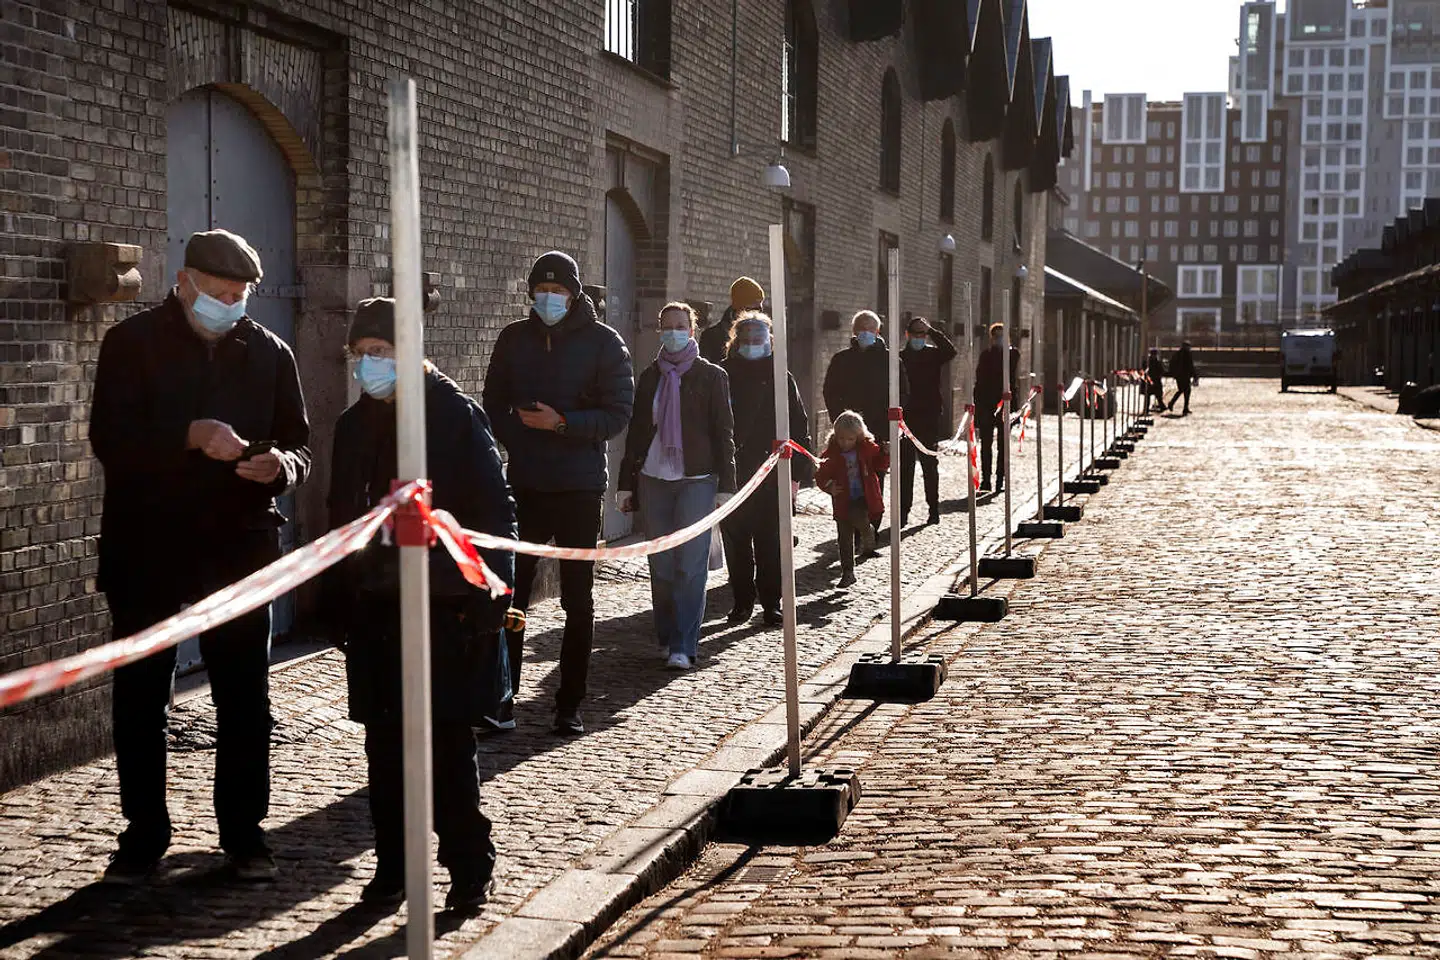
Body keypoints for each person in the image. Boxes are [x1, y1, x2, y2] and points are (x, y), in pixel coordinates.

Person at [89, 229, 311, 884]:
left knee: (244, 697)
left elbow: (300, 445)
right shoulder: (130, 345)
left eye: (240, 297)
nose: (230, 305)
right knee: (140, 696)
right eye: (218, 294)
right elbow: (111, 440)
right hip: (147, 544)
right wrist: (187, 436)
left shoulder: (269, 352)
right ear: (184, 283)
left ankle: (245, 836)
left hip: (238, 547)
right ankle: (143, 835)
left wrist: (280, 468)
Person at [325, 298, 513, 914]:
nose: (369, 366)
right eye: (362, 356)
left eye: (381, 353)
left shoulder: (454, 416)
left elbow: (494, 510)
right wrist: (338, 597)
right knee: (383, 746)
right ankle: (393, 866)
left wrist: (492, 596)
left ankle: (467, 863)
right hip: (377, 604)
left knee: (444, 747)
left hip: (444, 605)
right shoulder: (354, 426)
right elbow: (339, 515)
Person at [481, 251, 634, 736]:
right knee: (511, 595)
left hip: (579, 486)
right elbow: (493, 401)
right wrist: (523, 436)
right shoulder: (514, 339)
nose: (549, 299)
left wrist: (563, 424)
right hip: (525, 481)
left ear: (574, 295)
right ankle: (503, 697)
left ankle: (569, 702)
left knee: (578, 599)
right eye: (541, 292)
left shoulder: (605, 344)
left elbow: (618, 413)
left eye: (558, 292)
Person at [618, 303, 737, 670]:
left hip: (697, 479)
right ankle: (666, 635)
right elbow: (637, 434)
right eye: (666, 326)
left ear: (692, 329)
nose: (673, 331)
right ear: (659, 330)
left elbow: (724, 434)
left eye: (680, 325)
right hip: (654, 478)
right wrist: (626, 485)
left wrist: (726, 486)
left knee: (690, 564)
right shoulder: (650, 377)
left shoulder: (711, 376)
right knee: (662, 564)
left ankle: (685, 645)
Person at [721, 312, 813, 627]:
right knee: (736, 541)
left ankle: (772, 602)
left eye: (757, 339)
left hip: (773, 470)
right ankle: (742, 601)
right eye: (745, 339)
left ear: (769, 341)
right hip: (734, 469)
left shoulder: (780, 376)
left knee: (771, 541)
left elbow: (799, 425)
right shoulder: (724, 373)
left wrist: (797, 474)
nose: (751, 345)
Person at [814, 411, 887, 587]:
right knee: (844, 538)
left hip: (862, 496)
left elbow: (880, 464)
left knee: (859, 517)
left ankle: (868, 531)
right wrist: (829, 487)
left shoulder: (866, 449)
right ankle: (848, 572)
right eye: (841, 439)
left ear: (858, 437)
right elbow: (821, 475)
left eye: (850, 439)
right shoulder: (831, 454)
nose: (845, 443)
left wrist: (885, 453)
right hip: (842, 499)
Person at [898, 316, 957, 526]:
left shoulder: (933, 354)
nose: (919, 338)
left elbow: (950, 351)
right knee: (905, 467)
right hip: (906, 418)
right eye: (916, 334)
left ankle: (933, 510)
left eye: (922, 335)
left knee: (929, 465)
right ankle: (903, 511)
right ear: (907, 335)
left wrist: (932, 331)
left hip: (929, 416)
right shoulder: (900, 358)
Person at [972, 321, 1021, 492]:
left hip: (1005, 404)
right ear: (991, 338)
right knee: (986, 445)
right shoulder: (986, 355)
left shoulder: (1012, 354)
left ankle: (1001, 478)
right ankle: (986, 479)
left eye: (1002, 336)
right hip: (987, 404)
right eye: (996, 336)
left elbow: (1013, 360)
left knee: (1003, 445)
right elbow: (979, 380)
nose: (999, 339)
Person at [699, 276, 765, 364]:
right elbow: (706, 374)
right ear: (739, 308)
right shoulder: (711, 337)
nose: (756, 314)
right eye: (752, 309)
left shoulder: (766, 336)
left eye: (759, 310)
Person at [1167, 341, 1197, 415]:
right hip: (1185, 376)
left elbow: (1172, 364)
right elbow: (1190, 366)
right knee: (1186, 392)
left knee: (1181, 390)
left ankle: (1173, 403)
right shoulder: (1187, 355)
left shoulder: (1177, 354)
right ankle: (1184, 408)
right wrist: (1195, 375)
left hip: (1178, 376)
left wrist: (1173, 374)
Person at [1145, 347, 1167, 413]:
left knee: (1157, 395)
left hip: (1154, 380)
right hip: (1152, 380)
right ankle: (1147, 409)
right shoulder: (1150, 362)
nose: (1154, 356)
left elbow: (1161, 371)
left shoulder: (1152, 362)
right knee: (1150, 395)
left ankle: (1161, 406)